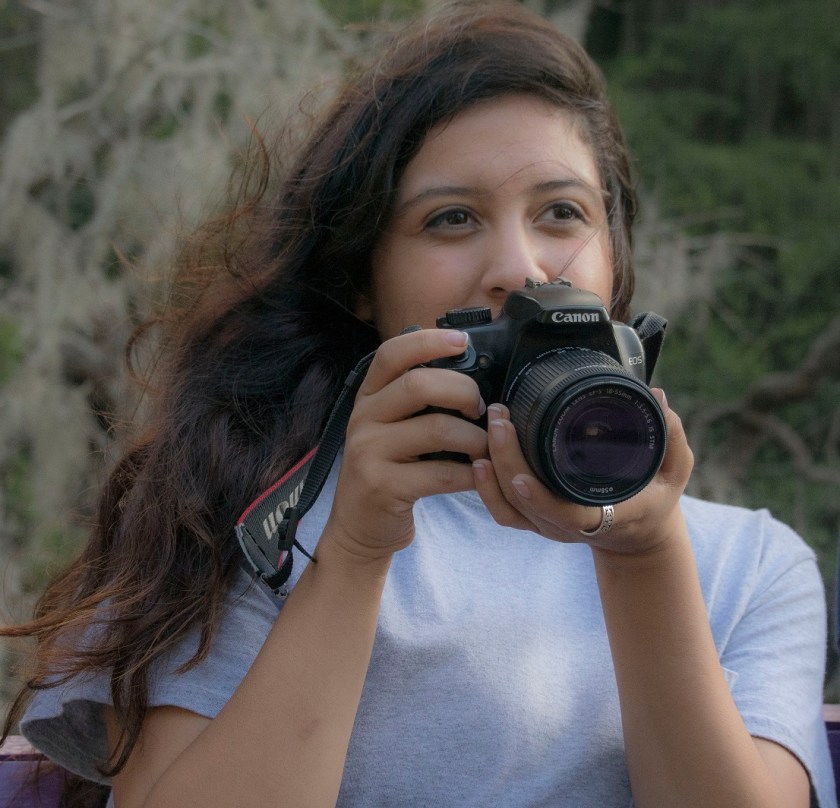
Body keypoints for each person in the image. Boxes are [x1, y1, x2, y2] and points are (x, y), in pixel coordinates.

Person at [2, 2, 835, 806]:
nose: (519, 268)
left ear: (614, 253)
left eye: (562, 213)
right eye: (452, 219)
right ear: (361, 280)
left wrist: (643, 552)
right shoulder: (250, 518)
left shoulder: (750, 566)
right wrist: (353, 551)